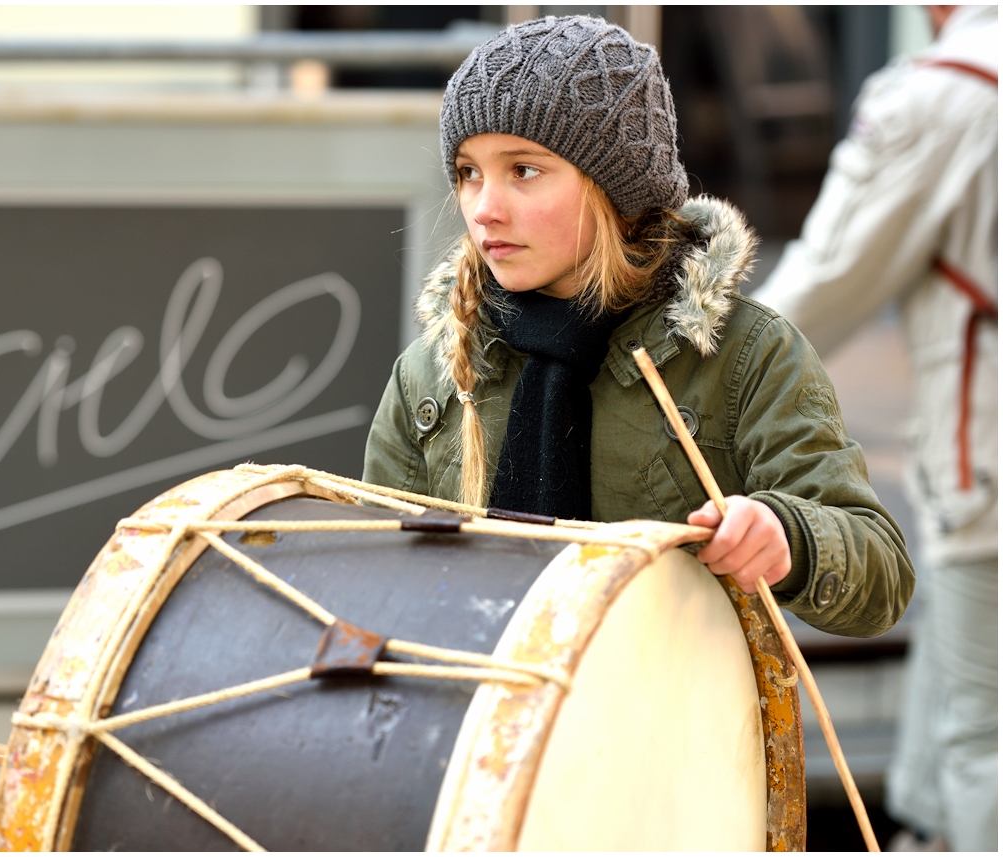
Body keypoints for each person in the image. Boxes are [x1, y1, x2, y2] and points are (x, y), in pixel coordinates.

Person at [361, 15, 914, 637]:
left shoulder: (744, 354)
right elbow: (376, 585)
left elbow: (881, 578)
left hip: (672, 723)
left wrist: (788, 537)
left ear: (614, 185)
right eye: (468, 173)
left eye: (523, 170)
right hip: (485, 719)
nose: (484, 207)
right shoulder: (438, 368)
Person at [752, 5, 996, 850]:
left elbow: (819, 288)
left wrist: (684, 363)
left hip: (990, 475)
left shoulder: (950, 92)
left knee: (986, 740)